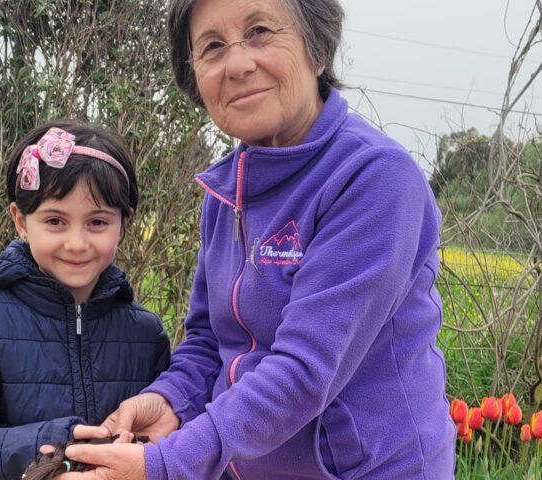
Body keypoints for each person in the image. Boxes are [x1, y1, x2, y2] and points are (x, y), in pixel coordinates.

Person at [54, 0, 456, 478]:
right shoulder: (227, 190)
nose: (239, 64)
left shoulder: (375, 178)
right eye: (213, 47)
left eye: (261, 31)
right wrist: (170, 400)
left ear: (317, 47)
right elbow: (209, 338)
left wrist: (166, 465)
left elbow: (304, 371)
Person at [0, 120, 171, 480]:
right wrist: (57, 445)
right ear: (21, 221)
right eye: (55, 221)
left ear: (124, 224)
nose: (76, 243)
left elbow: (166, 444)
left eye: (98, 222)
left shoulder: (146, 334)